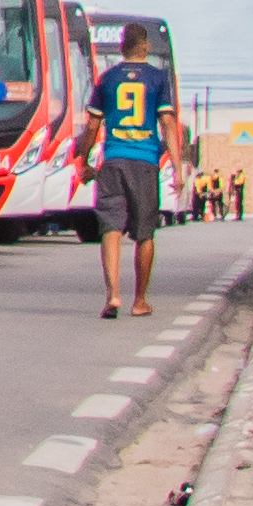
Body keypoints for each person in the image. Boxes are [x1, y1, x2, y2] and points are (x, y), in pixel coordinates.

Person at [85, 18, 178, 318]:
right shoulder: (158, 79)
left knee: (110, 226)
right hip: (145, 162)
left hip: (112, 161)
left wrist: (84, 158)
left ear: (122, 47)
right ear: (146, 47)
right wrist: (177, 166)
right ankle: (140, 300)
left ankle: (113, 295)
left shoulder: (108, 79)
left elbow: (92, 125)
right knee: (145, 232)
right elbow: (168, 124)